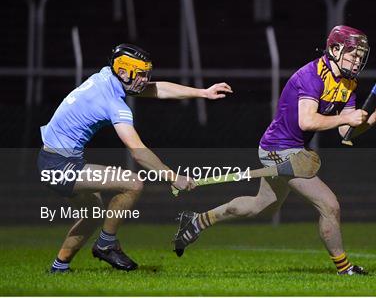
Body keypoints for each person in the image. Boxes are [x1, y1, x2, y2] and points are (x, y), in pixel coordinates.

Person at [173, 26, 376, 275]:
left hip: (288, 148)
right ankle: (344, 268)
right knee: (329, 204)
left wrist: (374, 119)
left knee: (262, 206)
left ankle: (197, 220)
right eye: (353, 54)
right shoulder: (312, 76)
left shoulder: (348, 84)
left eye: (361, 55)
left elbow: (346, 131)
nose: (357, 60)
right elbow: (308, 121)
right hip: (278, 149)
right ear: (334, 49)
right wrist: (345, 119)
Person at [38, 43, 232, 273]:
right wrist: (173, 177)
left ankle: (59, 267)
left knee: (93, 214)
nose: (144, 79)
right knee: (133, 183)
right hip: (58, 165)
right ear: (122, 71)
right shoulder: (112, 102)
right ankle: (106, 244)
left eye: (146, 74)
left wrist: (202, 92)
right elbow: (137, 150)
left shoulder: (106, 78)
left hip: (54, 159)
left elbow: (155, 89)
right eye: (140, 74)